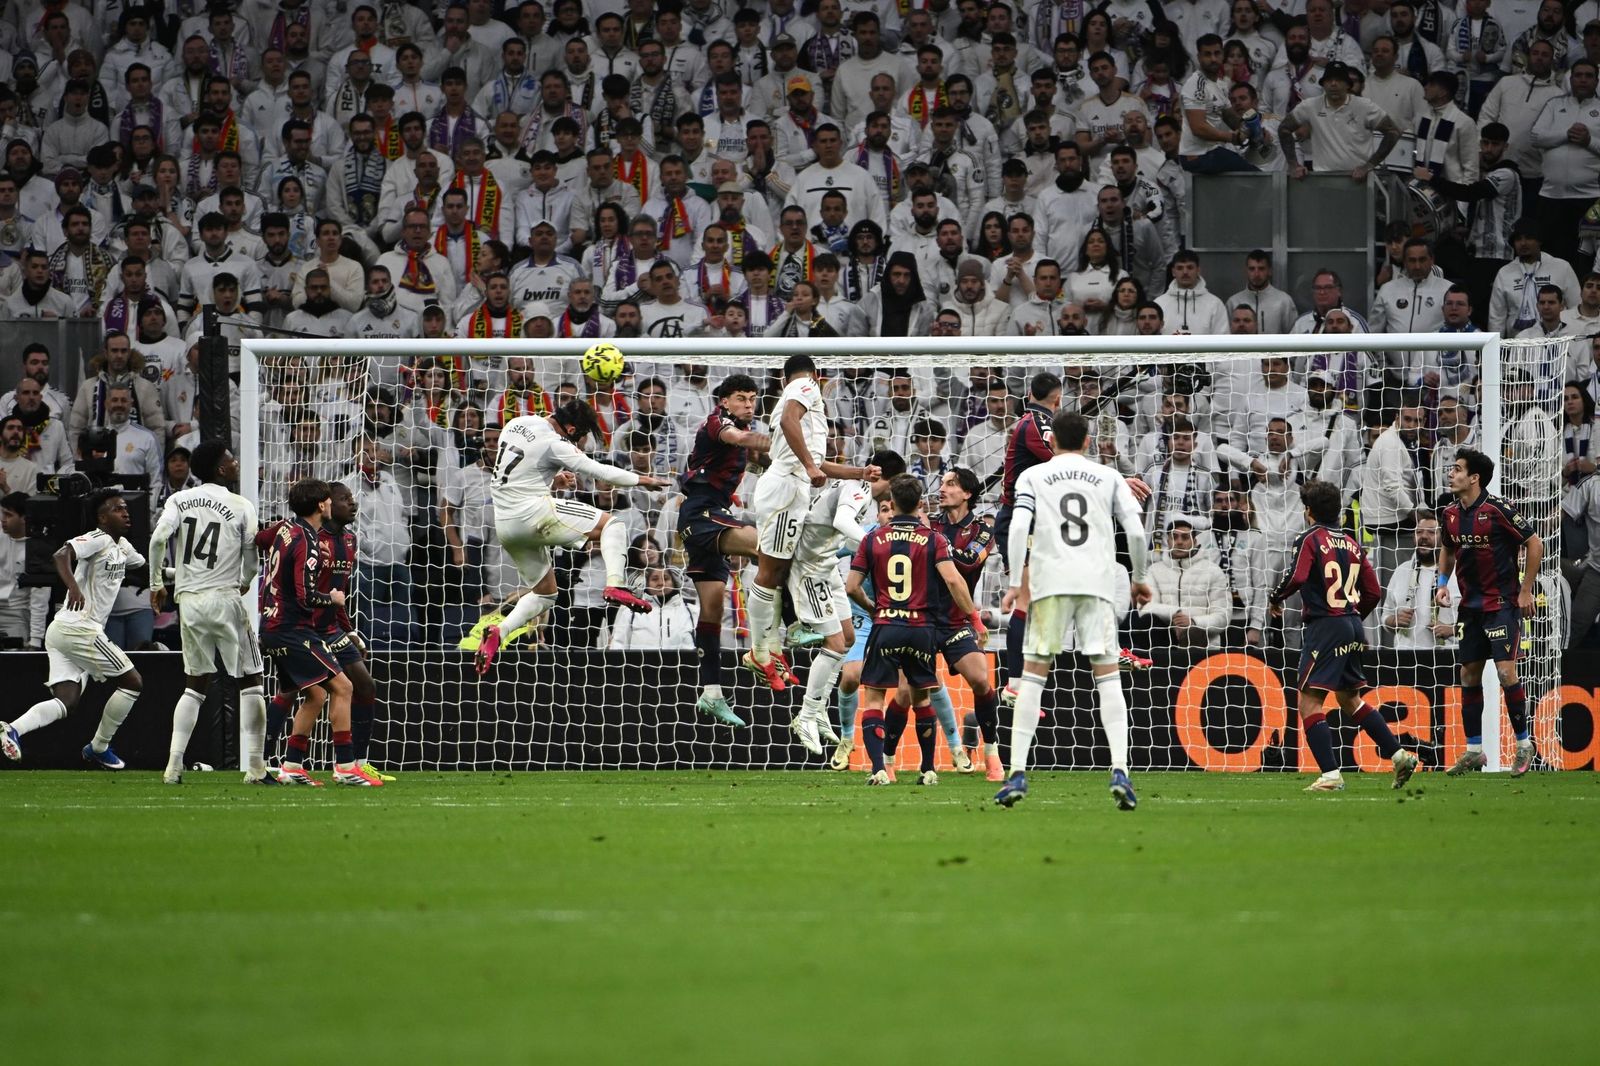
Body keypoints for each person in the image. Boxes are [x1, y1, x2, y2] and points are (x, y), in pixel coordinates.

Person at [995, 411, 1151, 810]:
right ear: (1087, 441)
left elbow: (1016, 526)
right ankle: (1120, 769)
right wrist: (1138, 577)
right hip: (1096, 586)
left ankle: (1016, 772)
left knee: (1031, 680)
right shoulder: (1108, 476)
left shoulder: (1033, 477)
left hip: (1049, 586)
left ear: (1053, 441)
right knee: (1108, 677)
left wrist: (1015, 583)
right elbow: (1134, 530)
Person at [474, 399, 672, 673]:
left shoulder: (517, 423)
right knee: (613, 525)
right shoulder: (557, 443)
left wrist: (553, 481)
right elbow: (600, 471)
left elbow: (517, 472)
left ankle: (500, 630)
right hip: (534, 514)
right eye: (579, 438)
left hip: (507, 526)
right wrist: (644, 480)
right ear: (569, 428)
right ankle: (616, 584)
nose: (578, 445)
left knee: (545, 595)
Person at [1268, 480, 1419, 792]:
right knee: (1350, 699)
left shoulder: (1309, 538)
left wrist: (1274, 598)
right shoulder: (1351, 541)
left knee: (1309, 702)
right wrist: (1351, 618)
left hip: (1325, 626)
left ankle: (1330, 775)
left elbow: (1296, 575)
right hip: (1352, 624)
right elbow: (1374, 592)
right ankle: (1399, 754)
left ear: (1308, 511)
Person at [742, 354, 881, 690]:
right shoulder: (804, 387)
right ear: (817, 376)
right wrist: (808, 466)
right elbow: (794, 427)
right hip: (787, 486)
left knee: (780, 566)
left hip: (791, 485)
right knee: (771, 569)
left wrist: (858, 473)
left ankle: (772, 645)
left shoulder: (793, 404)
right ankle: (760, 650)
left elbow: (816, 461)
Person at [845, 473, 985, 786]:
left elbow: (852, 586)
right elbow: (952, 579)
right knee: (922, 699)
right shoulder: (933, 539)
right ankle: (928, 768)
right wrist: (972, 616)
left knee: (874, 701)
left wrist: (873, 608)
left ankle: (880, 769)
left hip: (886, 625)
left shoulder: (872, 539)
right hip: (921, 628)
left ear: (891, 505)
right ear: (920, 504)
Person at [147, 441, 270, 785]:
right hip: (225, 598)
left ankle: (173, 766)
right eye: (231, 460)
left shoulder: (179, 499)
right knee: (251, 681)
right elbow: (251, 556)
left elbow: (158, 539)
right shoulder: (241, 504)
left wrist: (157, 583)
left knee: (195, 685)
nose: (235, 464)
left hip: (190, 602)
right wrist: (245, 580)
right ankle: (257, 767)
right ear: (220, 469)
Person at [1, 492, 145, 769]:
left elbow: (146, 567)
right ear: (102, 518)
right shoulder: (96, 538)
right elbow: (61, 554)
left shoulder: (123, 547)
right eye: (117, 509)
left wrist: (177, 578)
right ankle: (99, 747)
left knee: (66, 701)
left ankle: (12, 729)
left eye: (126, 508)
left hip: (62, 631)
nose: (126, 513)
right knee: (133, 682)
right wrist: (74, 587)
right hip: (80, 628)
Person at [258, 477, 380, 787]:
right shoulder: (308, 540)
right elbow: (305, 595)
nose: (344, 503)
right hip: (295, 628)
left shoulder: (288, 530)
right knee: (343, 688)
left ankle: (291, 766)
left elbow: (260, 540)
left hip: (280, 626)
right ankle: (346, 766)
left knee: (317, 693)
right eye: (332, 499)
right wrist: (332, 598)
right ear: (321, 505)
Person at [785, 449, 905, 755]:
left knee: (848, 637)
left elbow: (845, 535)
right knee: (836, 644)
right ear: (888, 478)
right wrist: (874, 543)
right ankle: (806, 715)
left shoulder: (859, 491)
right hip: (811, 568)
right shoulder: (858, 488)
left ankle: (820, 707)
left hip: (827, 567)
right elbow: (841, 520)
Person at [1437, 448, 1545, 776]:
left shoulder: (1498, 510)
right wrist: (1442, 583)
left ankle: (1524, 743)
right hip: (1469, 608)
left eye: (1457, 469)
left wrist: (1525, 590)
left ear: (1474, 478)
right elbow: (1447, 547)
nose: (1451, 474)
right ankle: (1473, 750)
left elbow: (1535, 543)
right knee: (1468, 675)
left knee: (1505, 673)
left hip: (1501, 605)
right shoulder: (1450, 513)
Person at [678, 373, 768, 727]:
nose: (749, 404)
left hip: (707, 518)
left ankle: (711, 693)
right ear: (725, 401)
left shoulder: (742, 444)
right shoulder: (719, 423)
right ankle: (775, 640)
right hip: (702, 516)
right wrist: (776, 439)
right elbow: (737, 436)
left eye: (753, 398)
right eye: (742, 398)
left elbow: (768, 463)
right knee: (767, 547)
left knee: (712, 609)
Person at [930, 466, 1003, 779]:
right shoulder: (930, 524)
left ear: (967, 494)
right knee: (907, 693)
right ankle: (889, 763)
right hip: (922, 617)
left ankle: (992, 753)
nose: (942, 489)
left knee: (981, 681)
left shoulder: (983, 531)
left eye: (951, 485)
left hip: (956, 620)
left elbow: (968, 561)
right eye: (943, 483)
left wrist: (933, 543)